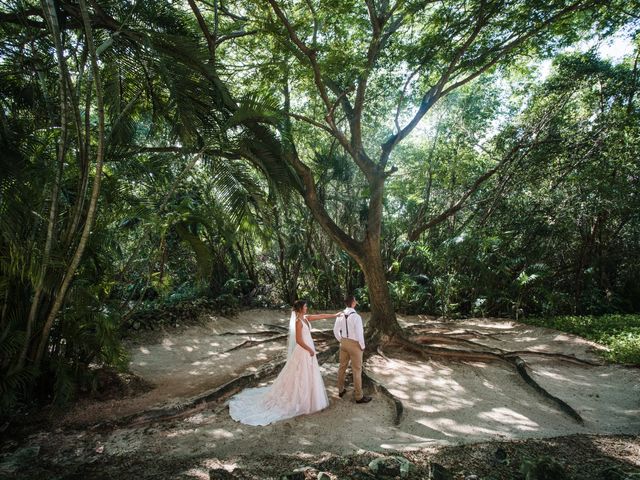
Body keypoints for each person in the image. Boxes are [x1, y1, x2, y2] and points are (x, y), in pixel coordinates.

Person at [228, 300, 339, 426]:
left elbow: (320, 316)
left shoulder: (306, 318)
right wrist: (309, 349)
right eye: (305, 306)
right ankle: (300, 400)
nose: (307, 307)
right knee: (299, 375)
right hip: (303, 351)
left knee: (308, 375)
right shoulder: (298, 322)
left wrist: (334, 315)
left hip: (309, 351)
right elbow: (298, 340)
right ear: (300, 308)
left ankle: (310, 399)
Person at [334, 295, 372, 403]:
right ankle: (359, 396)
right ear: (353, 302)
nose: (356, 302)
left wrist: (341, 340)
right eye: (355, 300)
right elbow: (360, 334)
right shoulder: (356, 317)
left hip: (344, 342)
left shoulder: (340, 315)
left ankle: (340, 390)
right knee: (356, 370)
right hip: (355, 344)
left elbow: (335, 330)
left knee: (342, 367)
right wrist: (362, 346)